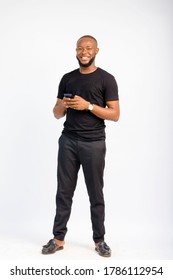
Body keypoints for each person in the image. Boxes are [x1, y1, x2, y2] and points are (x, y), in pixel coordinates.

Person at [42, 35, 120, 257]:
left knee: (95, 193)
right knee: (63, 192)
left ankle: (99, 241)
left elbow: (115, 115)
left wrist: (88, 106)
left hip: (94, 143)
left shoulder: (107, 79)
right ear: (75, 51)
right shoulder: (67, 78)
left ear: (96, 51)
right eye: (79, 48)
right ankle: (58, 239)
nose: (83, 52)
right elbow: (56, 113)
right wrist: (63, 106)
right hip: (68, 141)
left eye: (88, 48)